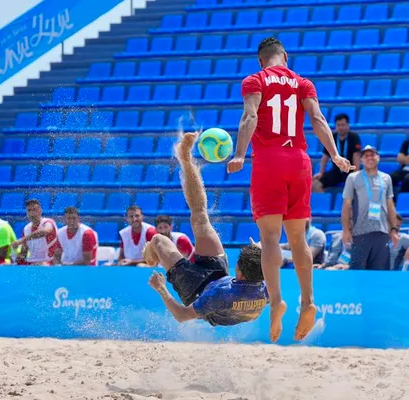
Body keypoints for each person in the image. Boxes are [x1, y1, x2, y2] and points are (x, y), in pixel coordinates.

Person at [227, 36, 352, 342]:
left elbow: (250, 116)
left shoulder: (255, 80)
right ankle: (308, 301)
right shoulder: (302, 82)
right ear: (285, 56)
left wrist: (240, 154)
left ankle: (276, 301)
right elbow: (318, 118)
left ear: (261, 60)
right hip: (299, 160)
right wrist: (335, 154)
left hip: (269, 160)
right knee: (298, 239)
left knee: (270, 237)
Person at [144, 133, 268, 326]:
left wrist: (161, 288)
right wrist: (257, 251)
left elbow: (182, 316)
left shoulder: (220, 295)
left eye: (238, 264)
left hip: (195, 290)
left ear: (240, 274)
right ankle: (185, 158)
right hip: (219, 278)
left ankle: (149, 255)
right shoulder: (265, 289)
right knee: (200, 217)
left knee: (158, 240)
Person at [342, 145, 400, 270]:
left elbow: (390, 205)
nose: (369, 158)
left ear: (378, 157)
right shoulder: (353, 178)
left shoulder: (386, 178)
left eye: (372, 155)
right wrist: (346, 230)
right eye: (366, 156)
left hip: (382, 232)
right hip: (360, 232)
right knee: (358, 272)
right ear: (361, 159)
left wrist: (394, 229)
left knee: (380, 272)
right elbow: (346, 205)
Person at [312, 113, 361, 192]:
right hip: (336, 171)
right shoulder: (332, 137)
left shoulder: (353, 137)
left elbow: (357, 156)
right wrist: (321, 173)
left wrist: (356, 174)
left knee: (358, 186)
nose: (341, 127)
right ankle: (325, 200)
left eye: (343, 125)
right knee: (315, 185)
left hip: (350, 170)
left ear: (348, 125)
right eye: (338, 125)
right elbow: (325, 157)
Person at [12, 199, 60, 266]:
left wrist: (22, 240)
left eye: (34, 210)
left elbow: (45, 231)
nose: (32, 213)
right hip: (32, 263)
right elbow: (23, 253)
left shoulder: (48, 222)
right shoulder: (26, 229)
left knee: (41, 264)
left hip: (49, 262)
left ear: (40, 211)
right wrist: (15, 257)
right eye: (29, 210)